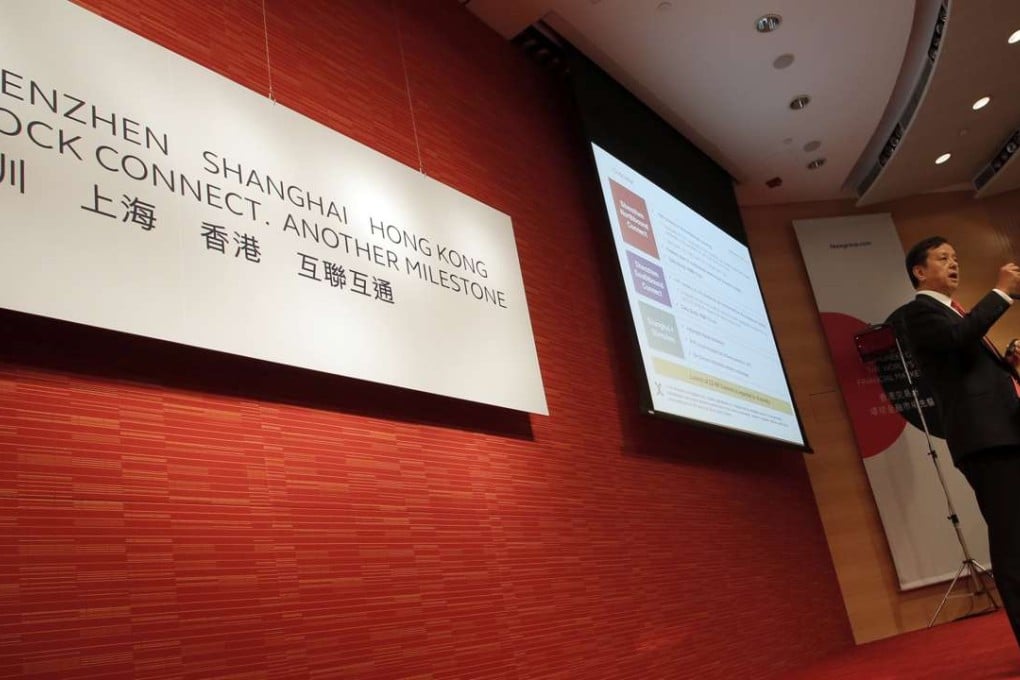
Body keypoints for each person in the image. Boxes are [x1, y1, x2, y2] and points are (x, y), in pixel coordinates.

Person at [900, 235, 1020, 647]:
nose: (954, 263)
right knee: (1012, 540)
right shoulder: (918, 313)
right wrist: (1001, 292)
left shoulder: (953, 310)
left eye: (955, 257)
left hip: (1008, 431)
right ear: (920, 271)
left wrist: (1008, 364)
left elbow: (968, 363)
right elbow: (958, 339)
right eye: (943, 258)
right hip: (986, 440)